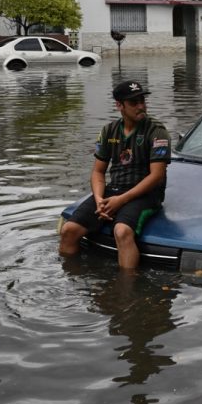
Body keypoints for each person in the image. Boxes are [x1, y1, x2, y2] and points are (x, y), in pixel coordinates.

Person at [59, 80, 172, 269]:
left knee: (122, 232)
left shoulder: (157, 131)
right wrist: (99, 200)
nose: (141, 106)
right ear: (119, 106)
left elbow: (157, 176)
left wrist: (120, 201)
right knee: (69, 230)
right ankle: (71, 276)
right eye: (134, 102)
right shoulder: (108, 131)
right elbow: (98, 171)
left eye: (142, 101)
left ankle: (126, 285)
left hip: (146, 194)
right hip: (115, 190)